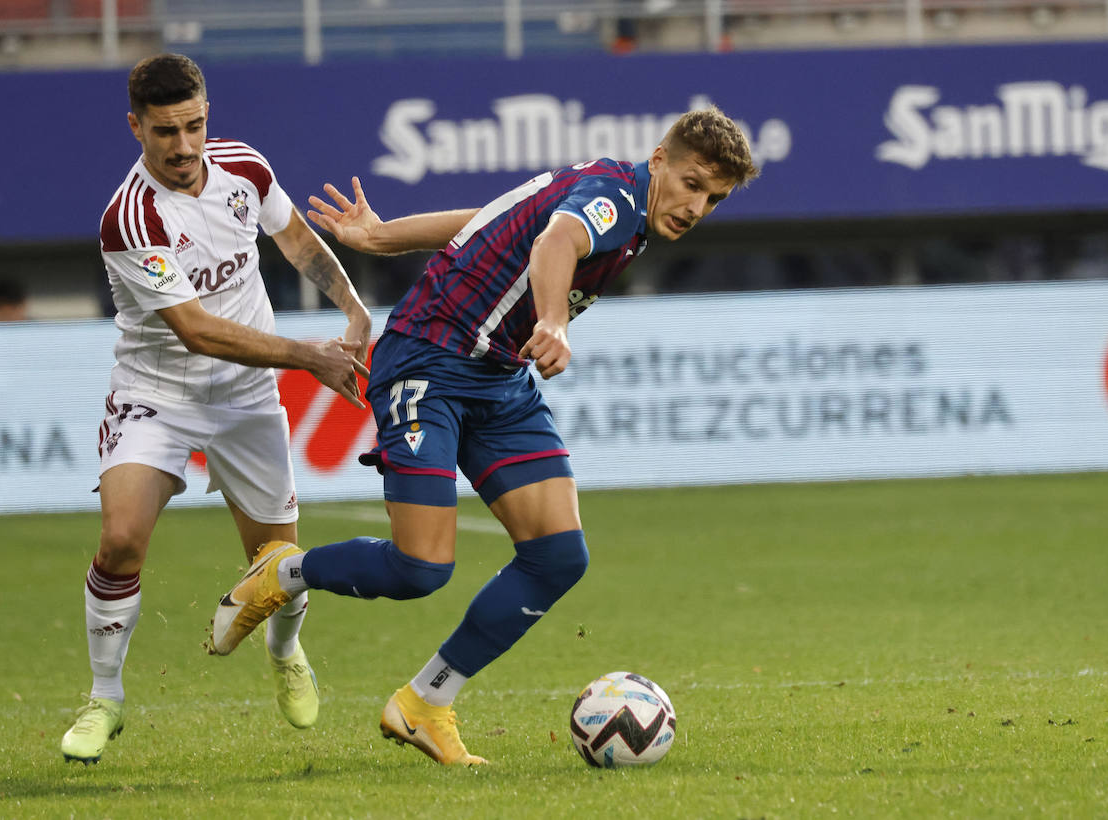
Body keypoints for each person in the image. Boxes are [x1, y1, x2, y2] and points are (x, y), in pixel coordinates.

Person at [208, 105, 759, 765]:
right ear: (661, 159)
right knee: (421, 568)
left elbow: (494, 217)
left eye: (715, 198)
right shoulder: (614, 199)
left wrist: (384, 239)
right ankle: (285, 570)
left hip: (500, 377)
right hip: (430, 359)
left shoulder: (622, 205)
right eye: (693, 183)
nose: (698, 205)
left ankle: (424, 703)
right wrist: (552, 320)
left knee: (558, 555)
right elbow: (554, 242)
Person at [60, 53, 371, 765]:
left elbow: (294, 238)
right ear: (136, 127)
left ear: (208, 115)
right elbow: (195, 330)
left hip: (245, 398)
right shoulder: (129, 218)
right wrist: (307, 355)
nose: (183, 146)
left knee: (279, 563)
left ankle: (286, 650)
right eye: (165, 131)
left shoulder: (244, 168)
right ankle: (105, 696)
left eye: (194, 125)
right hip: (156, 395)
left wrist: (352, 305)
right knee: (120, 540)